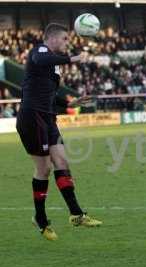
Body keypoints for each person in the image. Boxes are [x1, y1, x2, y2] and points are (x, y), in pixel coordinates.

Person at [16, 23, 102, 241]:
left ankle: (76, 214)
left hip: (47, 118)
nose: (67, 43)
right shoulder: (40, 51)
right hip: (32, 117)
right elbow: (41, 60)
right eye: (64, 39)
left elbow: (51, 97)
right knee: (43, 169)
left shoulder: (54, 67)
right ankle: (41, 219)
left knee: (62, 162)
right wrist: (72, 58)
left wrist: (72, 103)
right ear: (52, 38)